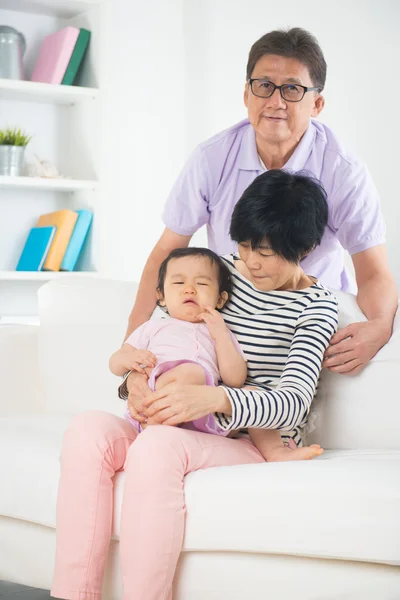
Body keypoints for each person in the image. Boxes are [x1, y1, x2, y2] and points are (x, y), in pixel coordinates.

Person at [52, 170, 338, 600]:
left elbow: (295, 401)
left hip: (244, 437)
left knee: (157, 447)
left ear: (306, 248)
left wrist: (215, 396)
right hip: (169, 416)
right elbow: (163, 334)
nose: (251, 262)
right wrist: (135, 381)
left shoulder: (317, 306)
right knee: (87, 430)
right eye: (243, 246)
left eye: (267, 252)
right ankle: (74, 594)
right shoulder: (214, 275)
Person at [125, 27, 397, 380]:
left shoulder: (343, 171)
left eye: (292, 89)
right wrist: (132, 342)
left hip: (305, 318)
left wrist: (379, 326)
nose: (276, 102)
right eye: (264, 85)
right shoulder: (211, 158)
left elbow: (374, 270)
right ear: (246, 94)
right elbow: (166, 251)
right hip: (231, 310)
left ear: (317, 103)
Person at [109, 245, 324, 461]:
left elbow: (235, 379)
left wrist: (221, 336)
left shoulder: (220, 331)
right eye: (178, 283)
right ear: (162, 296)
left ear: (220, 299)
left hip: (206, 412)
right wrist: (129, 359)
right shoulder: (152, 328)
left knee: (254, 393)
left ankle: (276, 452)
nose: (189, 289)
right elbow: (116, 362)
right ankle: (154, 436)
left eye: (201, 284)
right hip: (155, 407)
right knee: (188, 373)